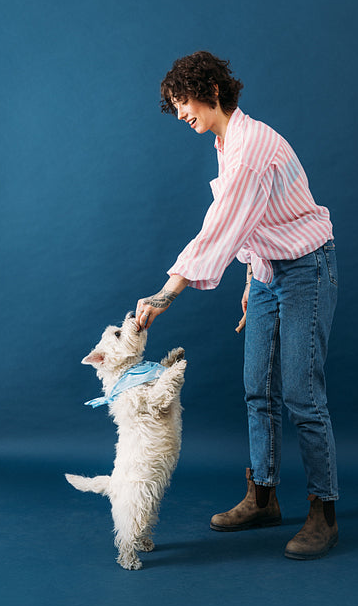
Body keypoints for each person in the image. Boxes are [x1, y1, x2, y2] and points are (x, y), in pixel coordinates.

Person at [135, 51, 339, 560]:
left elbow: (220, 226)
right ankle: (263, 497)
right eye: (176, 105)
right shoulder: (226, 142)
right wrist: (253, 273)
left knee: (300, 392)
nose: (181, 113)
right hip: (269, 269)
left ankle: (323, 511)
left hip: (306, 268)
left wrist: (166, 294)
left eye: (184, 102)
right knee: (256, 388)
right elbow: (252, 219)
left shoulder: (250, 147)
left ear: (214, 92)